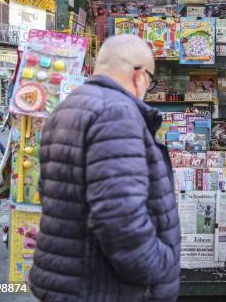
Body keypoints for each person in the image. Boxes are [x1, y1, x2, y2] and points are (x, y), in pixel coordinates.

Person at [29, 35, 180, 302]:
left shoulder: (67, 108)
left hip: (70, 279)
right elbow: (119, 216)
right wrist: (158, 266)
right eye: (151, 80)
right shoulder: (116, 113)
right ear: (139, 75)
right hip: (103, 286)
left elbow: (50, 191)